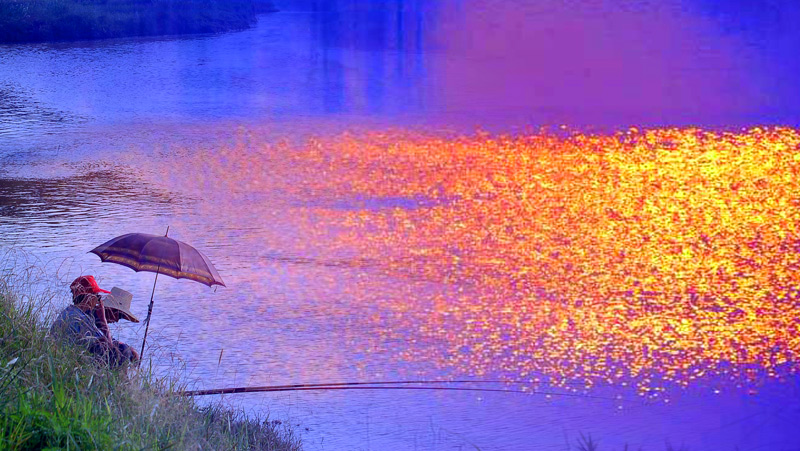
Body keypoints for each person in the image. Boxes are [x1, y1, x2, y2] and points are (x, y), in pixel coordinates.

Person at [50, 275, 140, 368]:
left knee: (123, 349)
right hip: (67, 363)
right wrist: (103, 322)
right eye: (97, 296)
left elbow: (105, 342)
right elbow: (109, 349)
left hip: (65, 359)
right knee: (122, 351)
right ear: (89, 297)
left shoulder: (74, 313)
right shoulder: (80, 319)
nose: (98, 301)